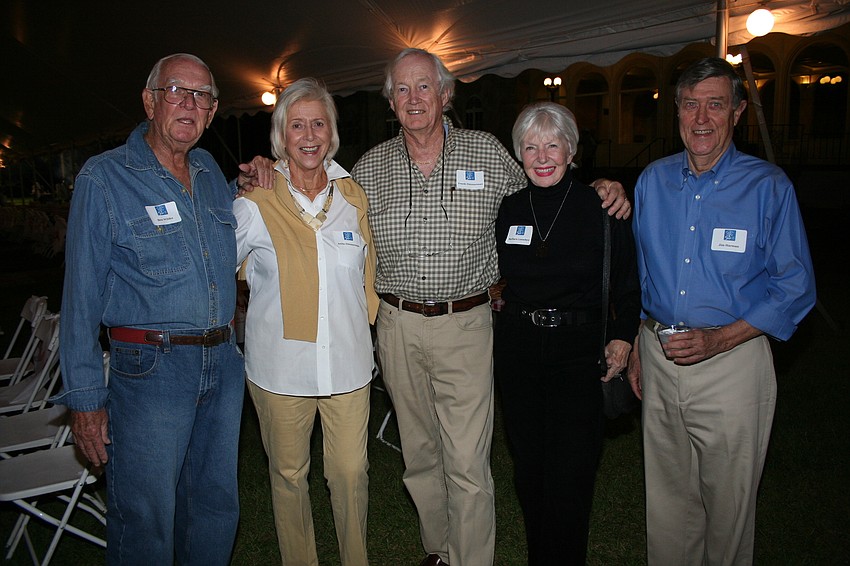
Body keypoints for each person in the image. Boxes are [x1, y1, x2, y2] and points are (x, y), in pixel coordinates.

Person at [350, 47, 631, 566]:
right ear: (391, 102)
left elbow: (547, 190)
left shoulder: (486, 153)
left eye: (424, 87)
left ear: (447, 95)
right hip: (396, 323)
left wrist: (602, 187)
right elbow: (325, 214)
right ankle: (438, 549)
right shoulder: (368, 169)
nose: (414, 99)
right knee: (418, 454)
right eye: (402, 90)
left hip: (469, 322)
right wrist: (264, 174)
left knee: (466, 457)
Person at [57, 53, 269, 565]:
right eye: (177, 90)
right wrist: (86, 402)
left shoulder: (208, 172)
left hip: (220, 364)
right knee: (145, 517)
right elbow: (79, 299)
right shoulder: (104, 179)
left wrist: (246, 184)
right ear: (150, 100)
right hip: (151, 369)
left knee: (215, 508)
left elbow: (210, 242)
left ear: (213, 111)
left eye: (202, 97)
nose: (189, 104)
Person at [628, 57, 816, 565]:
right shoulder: (652, 182)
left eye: (715, 105)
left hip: (734, 362)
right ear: (677, 112)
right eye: (691, 105)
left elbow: (796, 286)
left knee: (729, 505)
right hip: (660, 356)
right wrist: (638, 346)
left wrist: (721, 339)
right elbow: (639, 276)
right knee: (668, 501)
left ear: (737, 113)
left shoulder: (768, 186)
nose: (702, 118)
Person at [233, 77, 378, 566]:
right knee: (289, 477)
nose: (309, 135)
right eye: (298, 125)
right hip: (280, 370)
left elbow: (370, 274)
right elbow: (216, 269)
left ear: (332, 134)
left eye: (319, 123)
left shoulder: (353, 197)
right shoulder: (254, 202)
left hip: (348, 364)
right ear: (281, 136)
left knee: (351, 474)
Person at [492, 102, 640, 565]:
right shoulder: (510, 208)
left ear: (571, 150)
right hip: (519, 353)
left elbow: (629, 282)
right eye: (531, 146)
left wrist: (620, 336)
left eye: (552, 144)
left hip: (579, 357)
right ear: (519, 153)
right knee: (530, 470)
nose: (542, 156)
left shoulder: (601, 208)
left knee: (572, 472)